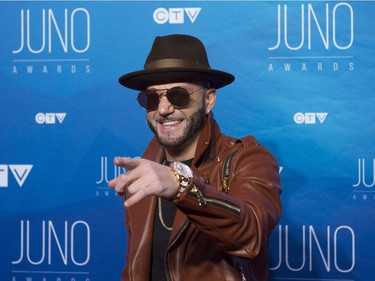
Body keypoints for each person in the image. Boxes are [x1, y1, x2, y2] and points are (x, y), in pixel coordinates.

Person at [108, 34, 282, 281]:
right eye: (152, 98)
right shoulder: (145, 169)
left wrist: (182, 187)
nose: (164, 109)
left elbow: (251, 233)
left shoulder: (249, 159)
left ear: (208, 100)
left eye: (178, 96)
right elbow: (136, 265)